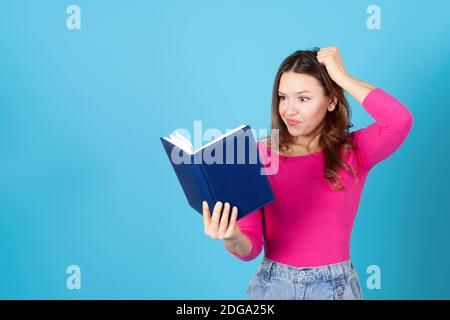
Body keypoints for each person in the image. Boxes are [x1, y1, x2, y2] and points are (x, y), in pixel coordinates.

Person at [202, 46, 414, 300]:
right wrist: (232, 236)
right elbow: (250, 247)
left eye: (303, 98)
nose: (289, 110)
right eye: (283, 97)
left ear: (331, 101)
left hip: (336, 289)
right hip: (273, 287)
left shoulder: (354, 151)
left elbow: (399, 121)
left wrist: (342, 77)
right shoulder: (256, 154)